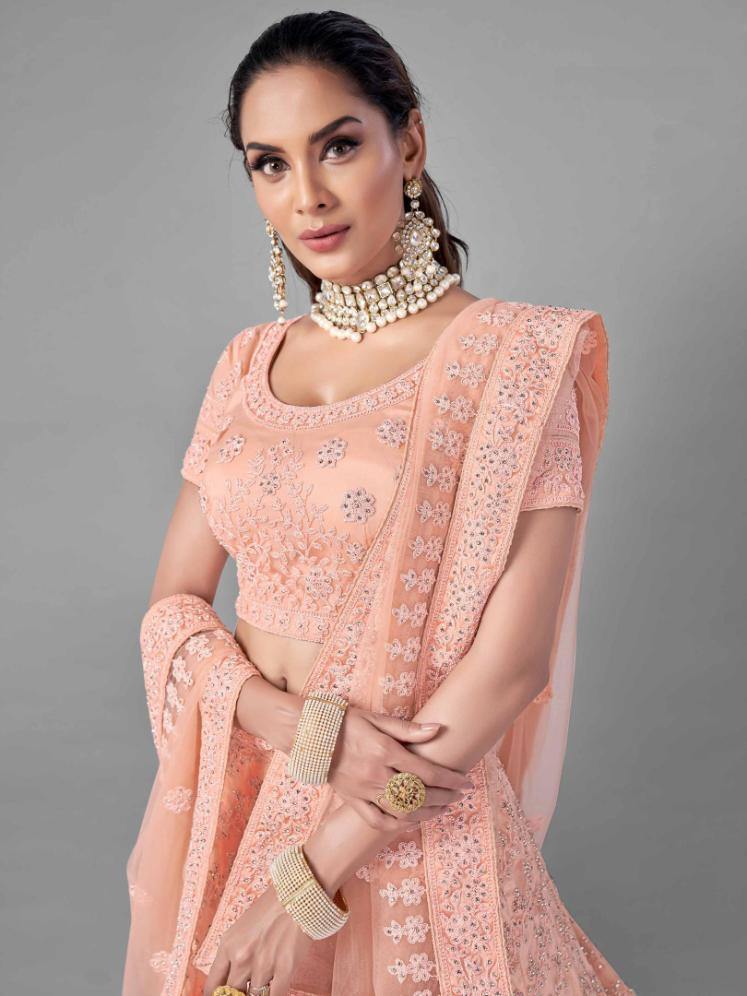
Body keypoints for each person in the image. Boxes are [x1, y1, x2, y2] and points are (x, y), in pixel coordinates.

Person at [123, 11, 636, 996]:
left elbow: (509, 667)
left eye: (339, 146)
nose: (306, 196)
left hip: (405, 823)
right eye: (269, 165)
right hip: (245, 804)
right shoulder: (244, 365)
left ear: (411, 144)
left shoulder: (518, 363)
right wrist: (303, 730)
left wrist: (306, 881)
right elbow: (172, 611)